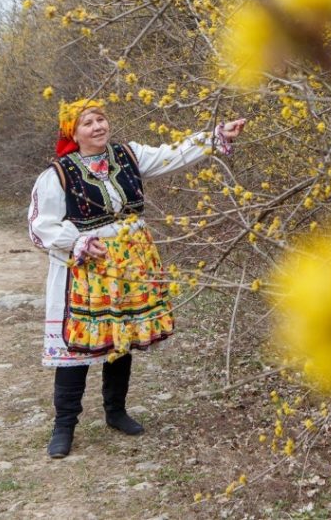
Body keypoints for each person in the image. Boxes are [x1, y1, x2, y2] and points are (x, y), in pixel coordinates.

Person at [27, 98, 245, 458]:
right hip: (85, 268)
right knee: (75, 347)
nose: (97, 127)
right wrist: (78, 241)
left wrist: (215, 135)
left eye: (101, 119)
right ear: (73, 133)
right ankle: (64, 425)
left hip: (131, 262)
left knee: (121, 336)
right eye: (88, 123)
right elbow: (40, 226)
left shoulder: (129, 155)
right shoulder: (57, 175)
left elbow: (171, 153)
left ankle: (116, 411)